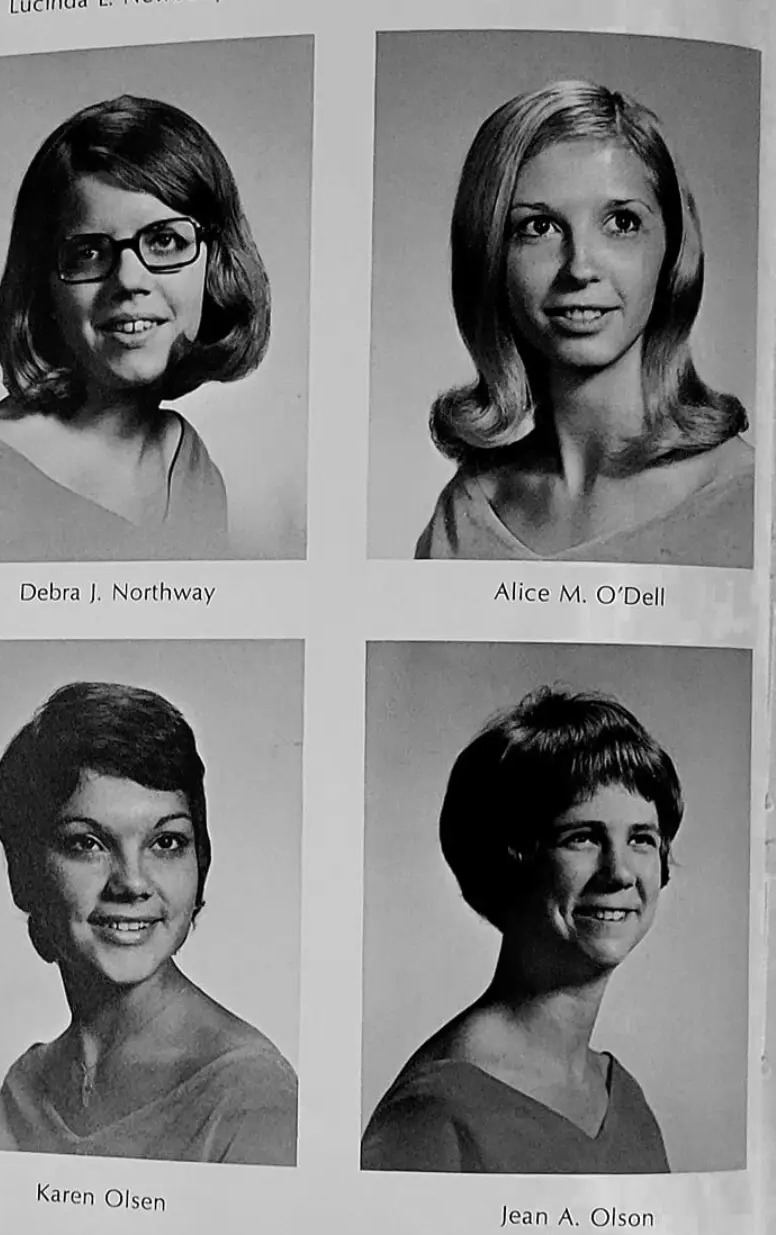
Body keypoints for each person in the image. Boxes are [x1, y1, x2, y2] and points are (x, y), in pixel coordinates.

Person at [416, 81, 752, 566]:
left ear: (673, 249)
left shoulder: (752, 503)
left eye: (621, 223)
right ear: (490, 255)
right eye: (538, 227)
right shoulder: (464, 515)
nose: (580, 268)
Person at [0, 95, 270, 562]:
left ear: (214, 262)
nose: (129, 280)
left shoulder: (187, 462)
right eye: (88, 252)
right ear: (44, 285)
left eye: (165, 240)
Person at [362, 687, 680, 1173]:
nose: (619, 872)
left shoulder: (626, 1101)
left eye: (641, 838)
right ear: (508, 862)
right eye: (582, 837)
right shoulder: (435, 1113)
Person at [0, 681, 297, 1165]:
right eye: (87, 843)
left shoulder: (253, 1098)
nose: (132, 883)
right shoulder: (20, 1095)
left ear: (201, 860)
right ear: (24, 872)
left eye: (166, 842)